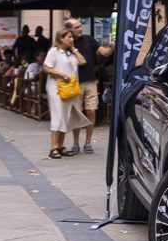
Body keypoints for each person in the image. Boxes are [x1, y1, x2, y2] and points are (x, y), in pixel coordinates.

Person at [66, 18, 114, 154]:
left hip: (91, 81)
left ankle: (88, 142)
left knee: (91, 111)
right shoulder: (67, 43)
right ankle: (75, 143)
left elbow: (104, 53)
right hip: (75, 83)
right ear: (69, 30)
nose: (80, 29)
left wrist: (112, 47)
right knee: (76, 113)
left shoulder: (89, 39)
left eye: (80, 26)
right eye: (76, 27)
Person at [42, 28, 89, 159]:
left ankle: (61, 146)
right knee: (58, 115)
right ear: (60, 39)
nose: (71, 39)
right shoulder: (54, 52)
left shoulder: (71, 53)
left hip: (70, 89)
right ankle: (53, 147)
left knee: (66, 117)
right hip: (56, 87)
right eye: (68, 37)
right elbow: (46, 67)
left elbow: (83, 62)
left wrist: (74, 49)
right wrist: (61, 74)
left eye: (72, 37)